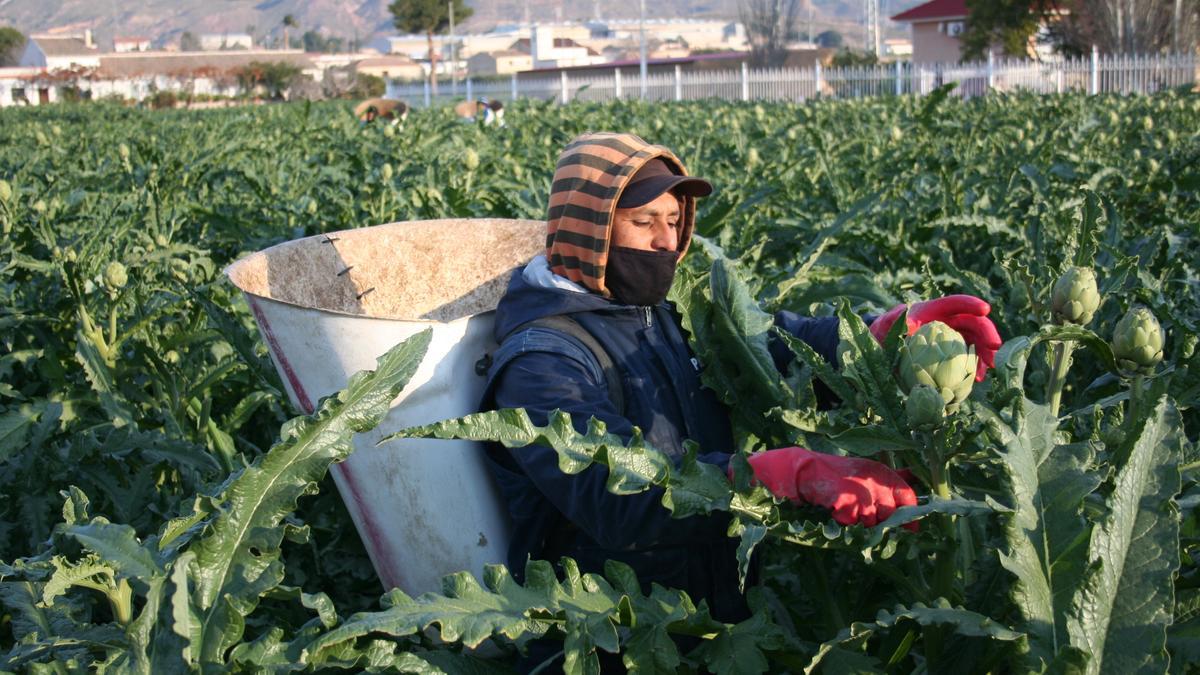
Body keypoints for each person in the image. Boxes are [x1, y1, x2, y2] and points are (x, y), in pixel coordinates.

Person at [478, 132, 1001, 670]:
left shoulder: (664, 311)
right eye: (644, 222)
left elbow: (766, 348)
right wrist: (777, 476)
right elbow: (618, 495)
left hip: (719, 620)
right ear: (587, 228)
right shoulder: (541, 362)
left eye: (674, 221)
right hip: (614, 642)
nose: (665, 241)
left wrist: (877, 339)